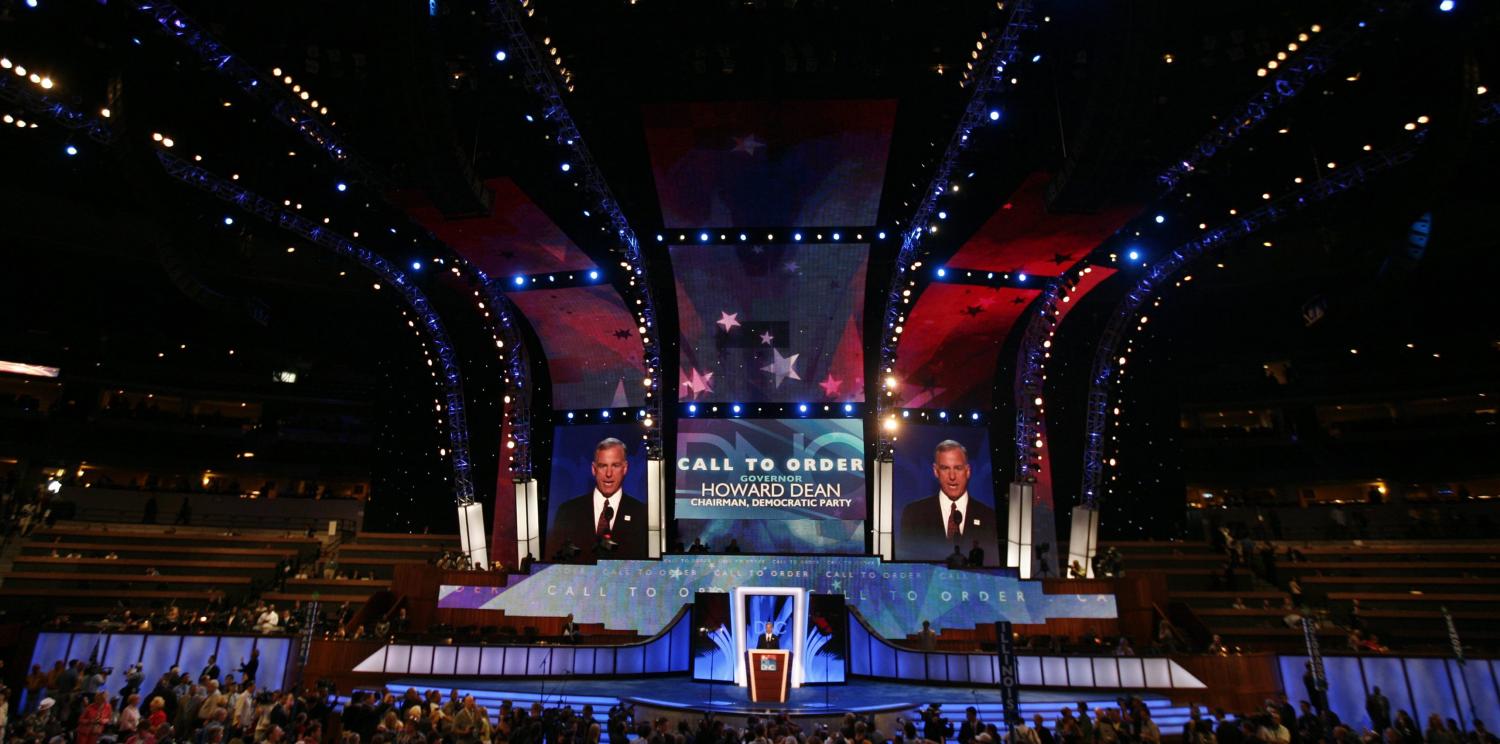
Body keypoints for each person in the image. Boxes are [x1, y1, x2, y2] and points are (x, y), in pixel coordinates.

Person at [545, 438, 648, 560]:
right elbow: (556, 562)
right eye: (603, 466)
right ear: (594, 469)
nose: (609, 474)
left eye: (615, 465)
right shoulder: (567, 511)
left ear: (625, 468)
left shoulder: (641, 513)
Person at [898, 441, 999, 564]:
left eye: (958, 468)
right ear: (936, 471)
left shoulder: (989, 517)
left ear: (968, 471)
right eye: (945, 468)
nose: (952, 476)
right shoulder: (913, 514)